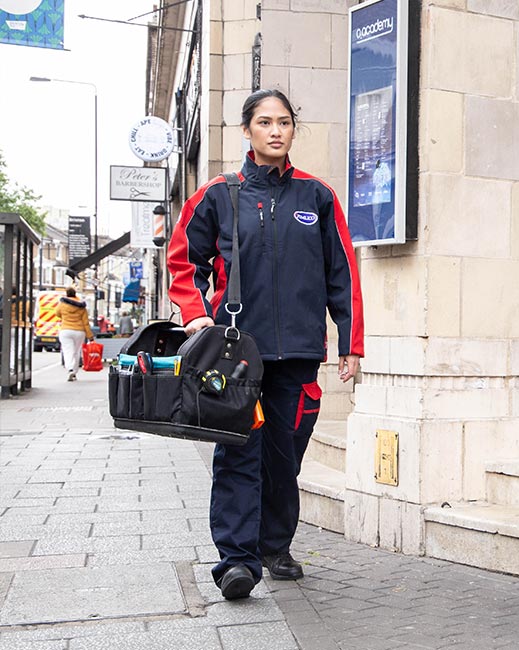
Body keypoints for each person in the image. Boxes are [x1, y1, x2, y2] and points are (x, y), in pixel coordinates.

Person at [168, 88, 364, 601]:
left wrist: (351, 341)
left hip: (299, 351)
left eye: (283, 122)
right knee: (237, 452)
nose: (275, 130)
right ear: (247, 131)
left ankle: (275, 544)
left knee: (285, 455)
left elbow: (342, 269)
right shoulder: (219, 193)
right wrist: (194, 316)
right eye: (264, 122)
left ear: (293, 130)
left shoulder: (317, 196)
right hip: (236, 353)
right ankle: (236, 559)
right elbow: (184, 258)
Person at [55, 286, 94, 382]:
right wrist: (90, 336)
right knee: (76, 352)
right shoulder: (81, 306)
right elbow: (85, 322)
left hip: (66, 330)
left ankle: (70, 369)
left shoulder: (62, 304)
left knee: (68, 351)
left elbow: (57, 313)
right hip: (79, 331)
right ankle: (75, 372)